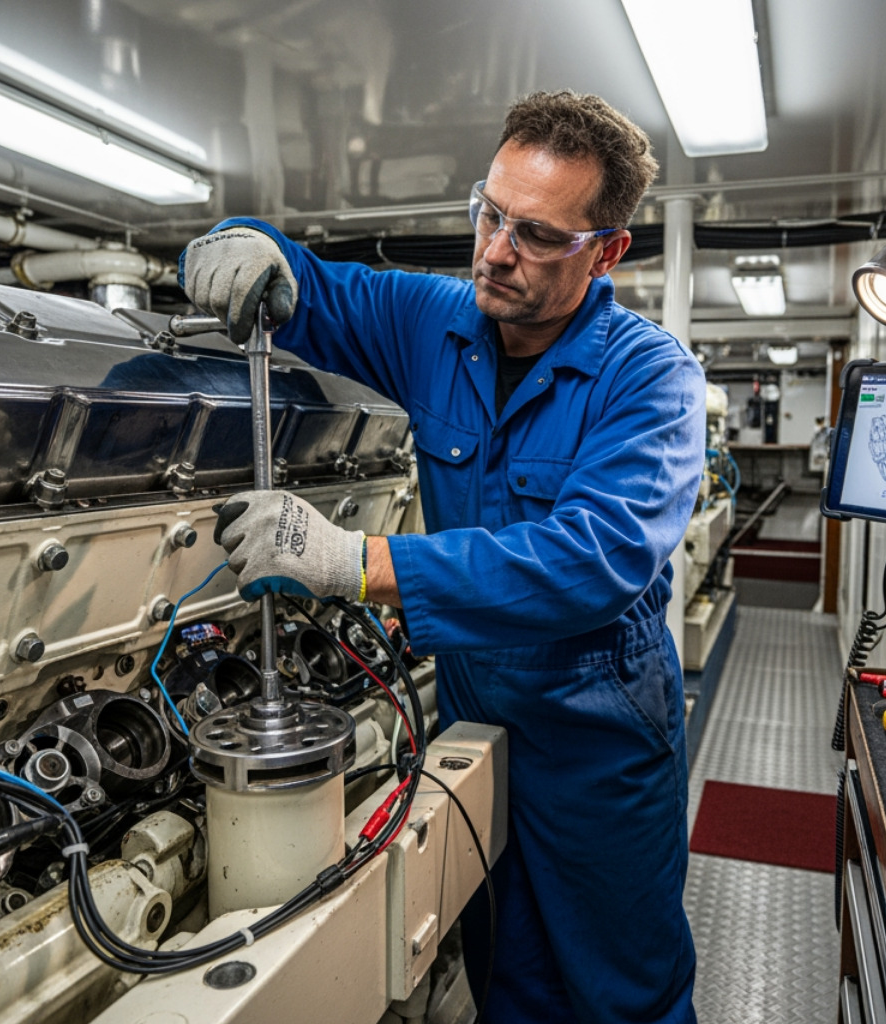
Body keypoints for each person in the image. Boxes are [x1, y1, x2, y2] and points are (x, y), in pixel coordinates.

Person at [181, 89, 704, 1024]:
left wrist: (358, 563)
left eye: (539, 235)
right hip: (473, 719)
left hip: (598, 743)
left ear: (608, 249)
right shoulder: (436, 321)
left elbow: (592, 558)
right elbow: (306, 282)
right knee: (503, 973)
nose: (497, 250)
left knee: (623, 991)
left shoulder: (650, 378)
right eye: (489, 213)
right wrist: (236, 239)